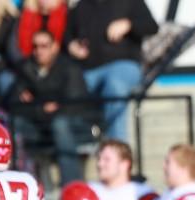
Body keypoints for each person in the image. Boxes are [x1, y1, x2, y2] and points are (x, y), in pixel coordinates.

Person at [65, 0, 158, 142]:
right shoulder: (82, 5)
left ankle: (117, 147)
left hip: (124, 65)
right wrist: (71, 45)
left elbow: (152, 26)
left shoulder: (130, 2)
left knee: (115, 85)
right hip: (90, 70)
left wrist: (129, 24)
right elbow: (66, 35)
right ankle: (81, 143)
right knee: (67, 87)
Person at [11, 29, 88, 185]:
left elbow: (74, 104)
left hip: (77, 125)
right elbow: (14, 105)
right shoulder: (26, 68)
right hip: (40, 125)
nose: (38, 51)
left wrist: (35, 104)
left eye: (44, 46)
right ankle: (28, 184)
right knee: (15, 123)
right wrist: (42, 109)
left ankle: (72, 185)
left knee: (60, 124)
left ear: (55, 47)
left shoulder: (69, 68)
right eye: (35, 46)